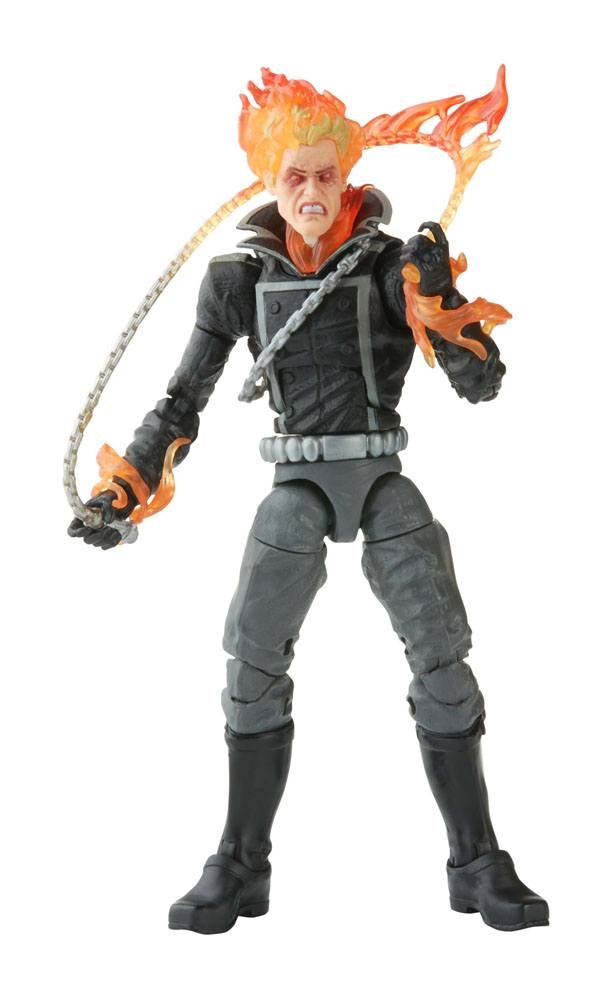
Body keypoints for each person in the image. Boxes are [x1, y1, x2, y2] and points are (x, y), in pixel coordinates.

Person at [69, 69, 548, 934]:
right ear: (270, 178)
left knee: (442, 656)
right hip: (294, 486)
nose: (314, 190)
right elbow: (182, 402)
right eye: (296, 175)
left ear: (348, 173)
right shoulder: (237, 279)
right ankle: (240, 862)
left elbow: (482, 384)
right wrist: (122, 490)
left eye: (327, 173)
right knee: (251, 663)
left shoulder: (392, 265)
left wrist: (437, 298)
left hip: (382, 475)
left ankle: (477, 860)